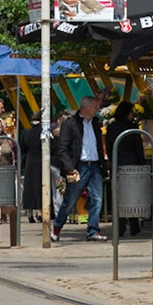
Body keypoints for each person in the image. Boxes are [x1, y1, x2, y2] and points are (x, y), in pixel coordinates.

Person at [50, 99, 108, 242]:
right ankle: (57, 227)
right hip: (79, 166)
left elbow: (99, 145)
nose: (97, 110)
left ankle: (93, 230)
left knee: (97, 200)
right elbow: (62, 148)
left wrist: (103, 164)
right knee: (70, 200)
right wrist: (70, 168)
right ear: (86, 108)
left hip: (94, 165)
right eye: (95, 107)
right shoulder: (71, 124)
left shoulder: (95, 124)